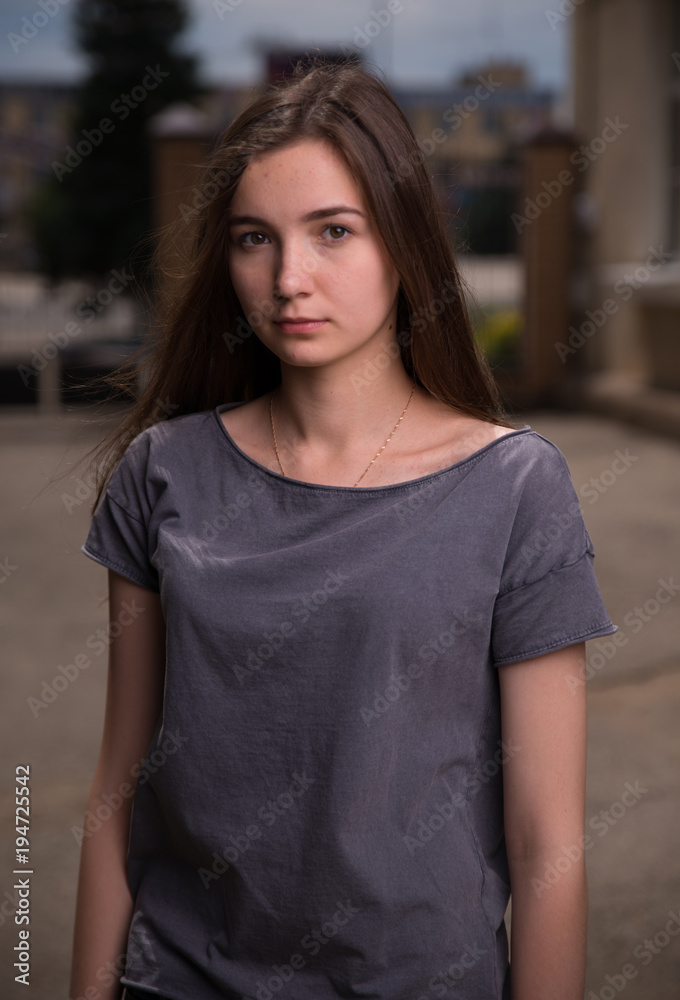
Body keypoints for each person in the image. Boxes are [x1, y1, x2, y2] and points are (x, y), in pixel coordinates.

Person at [70, 57, 617, 1000]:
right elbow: (117, 791)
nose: (289, 278)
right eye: (254, 239)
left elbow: (546, 847)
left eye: (333, 232)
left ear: (402, 244)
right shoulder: (162, 473)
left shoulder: (516, 487)